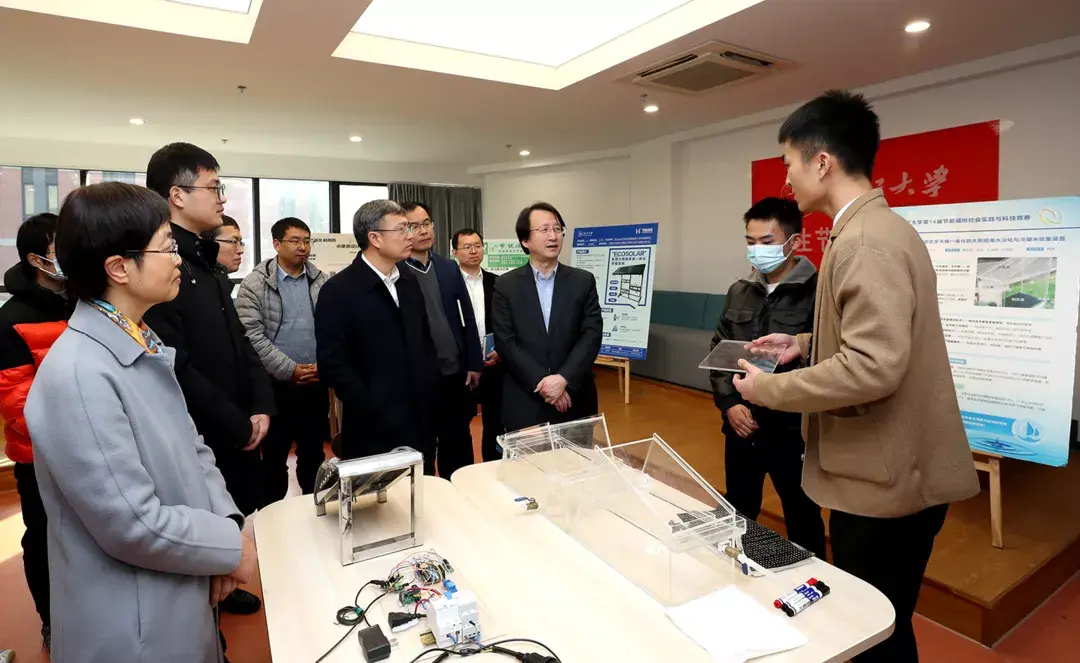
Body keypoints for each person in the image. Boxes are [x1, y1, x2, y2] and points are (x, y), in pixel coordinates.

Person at [733, 90, 980, 662]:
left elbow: (873, 366)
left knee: (872, 634)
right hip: (886, 472)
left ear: (822, 162)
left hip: (883, 483)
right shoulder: (874, 229)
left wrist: (768, 388)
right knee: (885, 624)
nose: (786, 178)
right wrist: (800, 344)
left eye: (790, 162)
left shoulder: (865, 242)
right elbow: (878, 338)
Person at [24, 182, 257, 663]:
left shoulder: (142, 340)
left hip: (181, 581)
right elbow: (132, 523)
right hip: (133, 624)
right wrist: (230, 547)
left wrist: (225, 529)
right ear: (118, 268)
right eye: (167, 248)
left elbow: (195, 450)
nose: (178, 260)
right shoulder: (79, 374)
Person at [142, 142, 272, 617]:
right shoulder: (164, 266)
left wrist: (261, 405)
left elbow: (242, 341)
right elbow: (175, 363)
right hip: (201, 429)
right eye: (213, 188)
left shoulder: (207, 263)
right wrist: (235, 422)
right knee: (204, 526)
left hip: (237, 421)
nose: (222, 198)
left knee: (233, 510)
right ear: (177, 195)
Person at [709, 197, 826, 560]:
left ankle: (814, 581)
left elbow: (825, 359)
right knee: (739, 507)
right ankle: (738, 570)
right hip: (742, 424)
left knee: (802, 513)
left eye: (767, 242)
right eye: (750, 242)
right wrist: (729, 404)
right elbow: (719, 352)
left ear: (794, 242)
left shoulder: (820, 292)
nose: (757, 250)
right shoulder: (739, 291)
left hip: (792, 428)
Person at [315, 200, 440, 472]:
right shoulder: (339, 291)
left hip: (420, 418)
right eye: (402, 229)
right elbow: (333, 364)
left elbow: (425, 342)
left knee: (422, 488)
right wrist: (373, 404)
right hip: (372, 426)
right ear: (375, 238)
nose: (410, 236)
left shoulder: (408, 281)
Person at [0, 213, 69, 650]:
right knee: (44, 539)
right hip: (40, 458)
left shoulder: (85, 301)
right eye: (61, 248)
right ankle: (51, 619)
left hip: (93, 450)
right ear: (37, 260)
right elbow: (18, 406)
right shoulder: (11, 320)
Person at [237, 217, 329, 503]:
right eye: (295, 241)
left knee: (313, 454)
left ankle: (313, 509)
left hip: (315, 382)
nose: (303, 247)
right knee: (274, 457)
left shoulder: (320, 280)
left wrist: (322, 365)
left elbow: (333, 328)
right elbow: (252, 335)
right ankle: (272, 515)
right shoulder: (254, 284)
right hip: (274, 386)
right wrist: (289, 370)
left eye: (307, 241)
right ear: (276, 244)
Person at [491, 202, 602, 431]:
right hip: (526, 398)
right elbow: (506, 342)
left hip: (575, 397)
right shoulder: (506, 285)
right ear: (525, 240)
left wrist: (564, 380)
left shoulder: (583, 281)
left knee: (577, 455)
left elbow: (591, 335)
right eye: (544, 230)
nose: (553, 236)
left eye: (557, 229)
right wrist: (543, 383)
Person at [399, 202, 482, 477]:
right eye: (414, 226)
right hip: (418, 379)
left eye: (426, 223)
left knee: (457, 444)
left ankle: (457, 490)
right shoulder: (397, 271)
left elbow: (467, 317)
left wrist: (473, 363)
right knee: (421, 448)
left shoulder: (447, 267)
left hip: (455, 374)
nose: (423, 231)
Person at [452, 227, 503, 461]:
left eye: (477, 246)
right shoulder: (448, 284)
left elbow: (507, 323)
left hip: (493, 363)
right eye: (467, 247)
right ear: (454, 252)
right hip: (461, 368)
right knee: (458, 426)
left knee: (495, 423)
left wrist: (501, 349)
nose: (473, 251)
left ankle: (491, 469)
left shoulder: (498, 283)